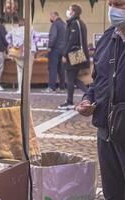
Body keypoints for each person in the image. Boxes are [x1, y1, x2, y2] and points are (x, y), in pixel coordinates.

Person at [76, 1, 125, 199]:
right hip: (106, 132)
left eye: (119, 4)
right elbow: (98, 80)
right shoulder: (107, 38)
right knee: (112, 192)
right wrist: (88, 99)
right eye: (111, 4)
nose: (113, 10)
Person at [58, 4, 89, 110]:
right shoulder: (78, 23)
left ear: (74, 12)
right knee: (74, 78)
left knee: (70, 78)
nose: (68, 11)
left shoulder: (75, 23)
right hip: (76, 54)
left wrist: (65, 54)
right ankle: (90, 95)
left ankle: (70, 102)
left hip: (74, 54)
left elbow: (72, 40)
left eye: (69, 9)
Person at [6, 18, 38, 93]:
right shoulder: (30, 29)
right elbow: (37, 37)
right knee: (28, 71)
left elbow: (7, 37)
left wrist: (11, 43)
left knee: (20, 71)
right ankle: (26, 89)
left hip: (17, 53)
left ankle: (20, 89)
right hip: (29, 52)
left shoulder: (14, 30)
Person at [45, 11, 66, 93]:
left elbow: (53, 36)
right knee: (61, 69)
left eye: (50, 17)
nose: (50, 18)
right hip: (63, 50)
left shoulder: (55, 24)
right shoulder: (64, 24)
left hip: (55, 49)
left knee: (52, 68)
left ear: (53, 16)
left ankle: (51, 87)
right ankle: (62, 87)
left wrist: (49, 46)